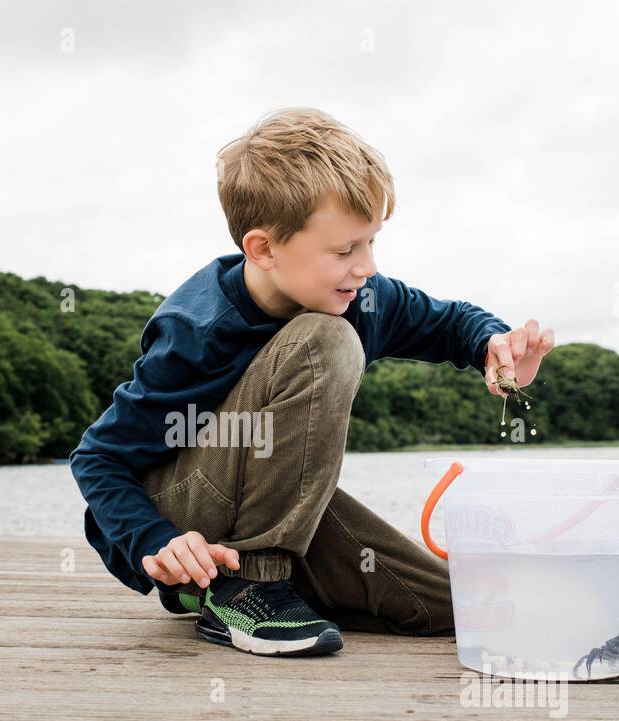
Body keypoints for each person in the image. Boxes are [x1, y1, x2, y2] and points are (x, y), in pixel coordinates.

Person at [69, 107, 554, 657]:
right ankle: (251, 588)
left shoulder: (363, 293)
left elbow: (447, 321)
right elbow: (98, 458)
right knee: (325, 341)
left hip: (274, 506)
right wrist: (155, 542)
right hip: (186, 509)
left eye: (371, 241)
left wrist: (492, 344)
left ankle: (239, 592)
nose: (367, 266)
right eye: (345, 250)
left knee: (453, 606)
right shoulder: (196, 333)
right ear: (264, 249)